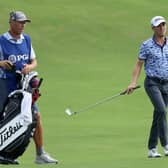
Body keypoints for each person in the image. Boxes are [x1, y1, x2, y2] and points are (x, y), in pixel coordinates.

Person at [0, 11, 58, 164]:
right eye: (20, 22)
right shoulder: (1, 41)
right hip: (5, 84)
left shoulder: (26, 40)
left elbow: (34, 61)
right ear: (11, 22)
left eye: (24, 23)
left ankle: (40, 154)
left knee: (35, 116)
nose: (22, 25)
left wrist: (29, 68)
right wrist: (1, 64)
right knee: (2, 117)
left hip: (23, 85)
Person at [126, 16, 168, 158]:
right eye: (159, 25)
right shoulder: (146, 45)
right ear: (153, 28)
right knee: (162, 110)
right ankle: (166, 145)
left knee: (158, 115)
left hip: (166, 84)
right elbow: (139, 64)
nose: (162, 27)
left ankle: (152, 149)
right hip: (152, 83)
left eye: (163, 24)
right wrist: (133, 82)